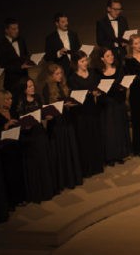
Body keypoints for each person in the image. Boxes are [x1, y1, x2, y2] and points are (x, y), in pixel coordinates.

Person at [13, 77, 57, 202]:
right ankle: (37, 192)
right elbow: (19, 119)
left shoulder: (37, 98)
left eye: (32, 85)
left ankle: (47, 189)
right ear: (24, 89)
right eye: (29, 86)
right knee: (34, 164)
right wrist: (25, 125)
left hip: (39, 132)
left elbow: (41, 113)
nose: (32, 88)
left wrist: (47, 116)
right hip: (28, 136)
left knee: (44, 160)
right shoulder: (20, 102)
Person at [41, 62, 83, 190]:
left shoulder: (63, 85)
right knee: (60, 151)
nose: (60, 76)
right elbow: (47, 107)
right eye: (57, 74)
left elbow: (67, 99)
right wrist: (61, 106)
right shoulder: (47, 88)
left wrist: (70, 104)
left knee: (70, 149)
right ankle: (63, 181)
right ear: (50, 76)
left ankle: (73, 178)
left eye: (61, 73)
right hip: (56, 124)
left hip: (67, 120)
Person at [68, 50, 105, 177]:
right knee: (85, 139)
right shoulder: (73, 78)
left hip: (93, 109)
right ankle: (87, 168)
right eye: (82, 61)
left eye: (86, 60)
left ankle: (97, 165)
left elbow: (98, 85)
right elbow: (75, 95)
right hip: (81, 112)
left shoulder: (93, 73)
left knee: (95, 136)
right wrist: (89, 93)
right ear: (76, 63)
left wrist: (98, 92)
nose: (85, 63)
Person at [0, 89, 25, 208]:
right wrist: (6, 126)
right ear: (1, 101)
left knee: (18, 172)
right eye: (7, 99)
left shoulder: (13, 112)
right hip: (5, 150)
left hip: (16, 146)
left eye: (11, 98)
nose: (10, 101)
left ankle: (20, 198)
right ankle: (11, 201)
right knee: (9, 175)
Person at [97, 48, 131, 165]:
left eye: (111, 55)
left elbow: (124, 84)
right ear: (102, 59)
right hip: (107, 105)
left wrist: (123, 88)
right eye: (107, 56)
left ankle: (121, 154)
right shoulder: (99, 73)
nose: (111, 57)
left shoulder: (119, 69)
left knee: (120, 129)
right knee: (110, 131)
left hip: (118, 103)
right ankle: (111, 156)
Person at [0, 18, 34, 92]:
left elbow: (25, 54)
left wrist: (30, 61)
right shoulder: (1, 44)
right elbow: (4, 65)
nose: (17, 31)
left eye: (17, 28)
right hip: (12, 81)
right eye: (13, 29)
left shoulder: (21, 40)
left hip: (24, 78)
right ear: (6, 30)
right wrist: (20, 67)